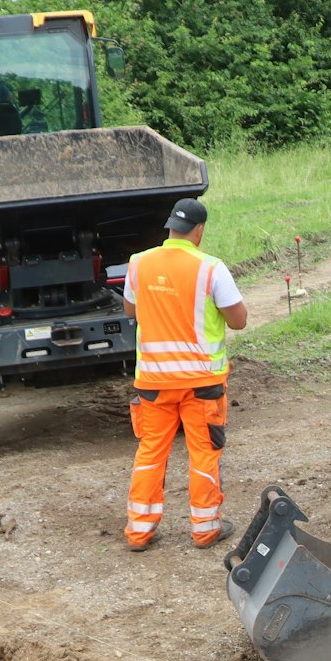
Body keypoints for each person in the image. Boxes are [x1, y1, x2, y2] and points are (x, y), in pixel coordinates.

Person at [121, 198, 249, 551]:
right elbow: (239, 321)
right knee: (203, 452)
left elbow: (130, 309)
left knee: (150, 452)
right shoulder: (211, 268)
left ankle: (139, 531)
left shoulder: (138, 263)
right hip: (202, 383)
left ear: (170, 228)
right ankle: (205, 529)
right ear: (199, 230)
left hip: (154, 382)